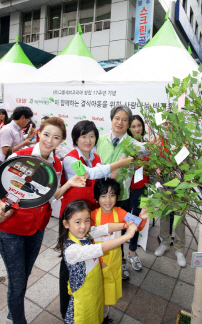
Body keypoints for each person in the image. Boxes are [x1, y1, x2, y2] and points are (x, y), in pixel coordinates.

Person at [0, 117, 87, 324]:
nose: (49, 140)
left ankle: (13, 310)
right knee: (18, 280)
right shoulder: (19, 156)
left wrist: (70, 183)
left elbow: (50, 195)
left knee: (25, 274)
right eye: (46, 134)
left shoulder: (56, 163)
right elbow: (2, 185)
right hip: (11, 228)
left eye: (56, 137)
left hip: (37, 228)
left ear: (61, 140)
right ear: (38, 133)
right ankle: (18, 319)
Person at [59, 120, 134, 319]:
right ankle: (68, 310)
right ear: (76, 138)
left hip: (89, 215)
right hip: (73, 217)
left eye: (92, 136)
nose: (88, 140)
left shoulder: (96, 156)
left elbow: (103, 176)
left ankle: (97, 309)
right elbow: (88, 173)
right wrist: (119, 163)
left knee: (90, 262)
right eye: (83, 136)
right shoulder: (70, 158)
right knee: (71, 264)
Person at [96, 105, 157, 279]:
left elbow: (147, 148)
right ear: (111, 119)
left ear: (128, 123)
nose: (120, 122)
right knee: (102, 229)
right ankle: (103, 261)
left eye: (124, 119)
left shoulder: (132, 144)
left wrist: (154, 143)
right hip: (100, 197)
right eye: (117, 118)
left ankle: (123, 260)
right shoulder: (99, 140)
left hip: (122, 196)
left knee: (123, 227)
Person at [55, 199, 138, 324]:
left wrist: (124, 225)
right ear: (66, 224)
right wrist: (127, 236)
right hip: (83, 300)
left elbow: (105, 228)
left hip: (94, 290)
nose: (84, 226)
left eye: (87, 220)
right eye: (78, 222)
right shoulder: (72, 250)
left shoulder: (85, 234)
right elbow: (101, 247)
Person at [91, 178, 149, 322]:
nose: (108, 200)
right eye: (103, 195)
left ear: (117, 196)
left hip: (114, 261)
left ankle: (104, 316)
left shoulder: (121, 212)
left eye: (112, 195)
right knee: (95, 292)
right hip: (96, 263)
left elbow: (137, 225)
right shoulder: (92, 216)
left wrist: (142, 216)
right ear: (96, 198)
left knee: (108, 293)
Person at [154, 119, 186, 268]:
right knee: (164, 214)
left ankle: (179, 249)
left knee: (180, 217)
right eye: (165, 124)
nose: (168, 126)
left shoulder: (182, 140)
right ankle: (165, 242)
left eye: (170, 123)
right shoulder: (160, 140)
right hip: (164, 183)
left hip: (179, 184)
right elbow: (155, 160)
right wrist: (157, 169)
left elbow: (187, 162)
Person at [127, 115, 150, 271]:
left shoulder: (147, 144)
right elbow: (125, 166)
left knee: (137, 219)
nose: (137, 129)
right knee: (125, 218)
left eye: (139, 125)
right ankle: (121, 257)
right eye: (133, 126)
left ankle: (132, 252)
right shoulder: (127, 144)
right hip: (129, 188)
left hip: (143, 187)